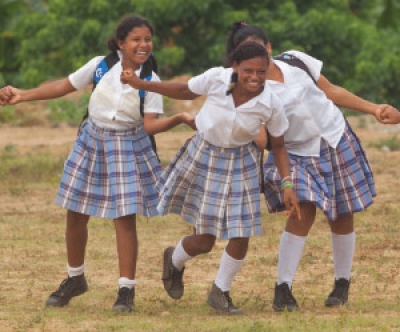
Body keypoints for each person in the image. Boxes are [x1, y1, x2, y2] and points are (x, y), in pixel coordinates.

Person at [0, 14, 195, 312]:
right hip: (91, 141)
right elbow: (64, 86)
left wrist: (179, 118)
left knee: (124, 217)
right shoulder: (100, 66)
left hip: (127, 145)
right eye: (136, 39)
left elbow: (151, 126)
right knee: (75, 212)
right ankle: (75, 278)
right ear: (121, 43)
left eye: (148, 40)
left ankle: (126, 291)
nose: (144, 45)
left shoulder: (150, 81)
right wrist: (23, 95)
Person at [225, 22, 399, 312]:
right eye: (248, 54)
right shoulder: (249, 91)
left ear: (269, 47)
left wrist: (374, 109)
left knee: (342, 215)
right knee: (301, 213)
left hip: (335, 138)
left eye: (261, 48)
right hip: (296, 153)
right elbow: (258, 135)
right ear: (237, 60)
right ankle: (283, 289)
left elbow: (331, 91)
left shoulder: (295, 60)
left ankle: (341, 284)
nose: (257, 59)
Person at [121, 41, 301, 315]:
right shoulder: (217, 79)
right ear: (235, 67)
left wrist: (288, 184)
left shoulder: (272, 103)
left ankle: (220, 291)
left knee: (242, 232)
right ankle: (175, 259)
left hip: (242, 161)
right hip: (205, 156)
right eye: (248, 71)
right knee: (204, 241)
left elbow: (278, 146)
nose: (254, 77)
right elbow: (183, 89)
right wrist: (141, 85)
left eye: (261, 72)